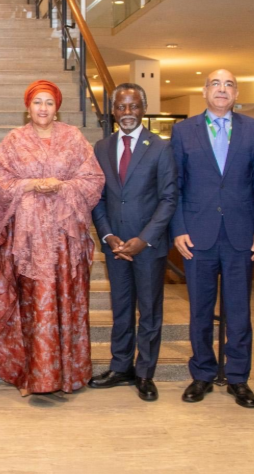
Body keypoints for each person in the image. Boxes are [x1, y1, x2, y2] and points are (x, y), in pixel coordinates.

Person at [0, 81, 104, 396]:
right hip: (28, 242)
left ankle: (68, 375)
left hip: (65, 240)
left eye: (49, 103)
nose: (43, 108)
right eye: (37, 102)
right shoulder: (14, 140)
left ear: (57, 107)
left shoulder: (74, 138)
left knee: (66, 300)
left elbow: (93, 178)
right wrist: (31, 185)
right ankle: (32, 374)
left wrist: (62, 186)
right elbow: (3, 182)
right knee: (32, 306)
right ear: (28, 106)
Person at [171, 69, 254, 408]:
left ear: (237, 92)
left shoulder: (253, 129)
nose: (222, 89)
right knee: (199, 310)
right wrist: (178, 229)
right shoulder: (183, 130)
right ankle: (202, 374)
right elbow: (176, 186)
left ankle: (239, 378)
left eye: (229, 84)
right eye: (215, 83)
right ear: (204, 91)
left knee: (239, 311)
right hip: (197, 235)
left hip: (241, 234)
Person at [89, 83, 177, 401]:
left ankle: (144, 372)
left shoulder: (160, 147)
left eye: (134, 106)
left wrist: (144, 239)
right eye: (122, 107)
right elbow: (96, 198)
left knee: (150, 310)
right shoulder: (101, 148)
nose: (128, 113)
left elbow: (169, 198)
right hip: (116, 247)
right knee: (121, 308)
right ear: (113, 111)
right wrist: (109, 236)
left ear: (143, 108)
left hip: (148, 246)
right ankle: (120, 366)